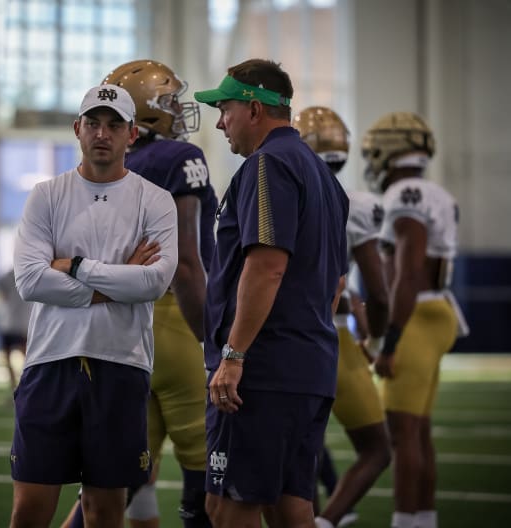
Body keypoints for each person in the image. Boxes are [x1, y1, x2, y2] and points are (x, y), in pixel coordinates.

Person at [8, 83, 178, 528]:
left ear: (131, 135)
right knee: (30, 509)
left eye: (114, 125)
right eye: (94, 124)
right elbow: (30, 281)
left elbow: (155, 281)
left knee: (105, 511)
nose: (103, 133)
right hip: (49, 362)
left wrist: (75, 266)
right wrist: (117, 281)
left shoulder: (155, 201)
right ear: (77, 129)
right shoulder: (46, 195)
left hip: (121, 365)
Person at [193, 59, 349, 528]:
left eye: (226, 109)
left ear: (255, 109)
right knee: (290, 507)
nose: (220, 122)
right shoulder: (323, 177)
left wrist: (235, 354)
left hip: (263, 372)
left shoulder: (268, 165)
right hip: (309, 367)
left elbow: (266, 267)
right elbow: (336, 283)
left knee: (227, 507)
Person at [63, 59, 217, 528]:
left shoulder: (104, 166)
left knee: (119, 479)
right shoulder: (178, 158)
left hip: (120, 332)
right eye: (169, 102)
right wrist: (213, 341)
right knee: (205, 470)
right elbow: (187, 262)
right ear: (147, 110)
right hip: (174, 322)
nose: (178, 110)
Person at [361, 111, 469, 528]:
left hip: (416, 314)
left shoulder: (404, 193)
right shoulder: (435, 192)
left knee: (403, 434)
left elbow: (406, 272)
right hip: (433, 310)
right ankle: (424, 519)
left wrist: (390, 341)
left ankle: (406, 522)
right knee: (418, 430)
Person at [293, 106, 392, 528]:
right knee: (376, 449)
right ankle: (326, 521)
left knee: (299, 453)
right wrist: (376, 338)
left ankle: (306, 519)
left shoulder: (283, 194)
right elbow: (380, 291)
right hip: (332, 341)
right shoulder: (354, 203)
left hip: (284, 337)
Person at [0, 268, 32, 393]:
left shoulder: (6, 277)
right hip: (19, 323)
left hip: (12, 323)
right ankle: (23, 386)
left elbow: (3, 297)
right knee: (26, 357)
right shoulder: (29, 274)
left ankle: (18, 386)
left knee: (17, 356)